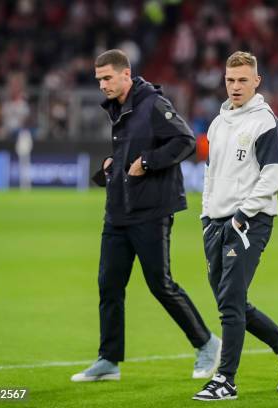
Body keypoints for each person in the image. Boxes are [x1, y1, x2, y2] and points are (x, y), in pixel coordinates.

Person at [71, 49, 221, 382]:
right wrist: (114, 163)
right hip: (118, 210)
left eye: (107, 78)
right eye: (99, 80)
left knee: (160, 285)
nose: (103, 85)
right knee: (108, 284)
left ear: (126, 75)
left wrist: (148, 162)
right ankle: (108, 360)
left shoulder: (152, 104)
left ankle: (207, 343)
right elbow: (132, 148)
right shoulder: (119, 108)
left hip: (151, 210)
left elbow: (185, 141)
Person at [193, 51, 278, 401]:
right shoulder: (218, 124)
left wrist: (241, 215)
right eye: (230, 80)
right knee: (231, 301)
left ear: (257, 81)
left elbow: (273, 177)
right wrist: (206, 217)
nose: (235, 86)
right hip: (215, 222)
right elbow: (210, 175)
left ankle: (225, 380)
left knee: (230, 300)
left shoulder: (265, 123)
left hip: (249, 222)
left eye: (243, 80)